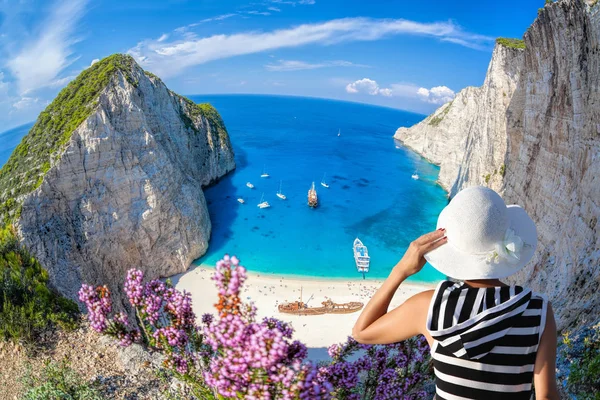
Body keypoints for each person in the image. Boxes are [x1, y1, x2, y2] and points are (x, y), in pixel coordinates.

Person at [352, 186, 559, 400]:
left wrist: (401, 270)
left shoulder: (430, 307)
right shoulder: (538, 311)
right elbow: (547, 396)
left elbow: (362, 332)